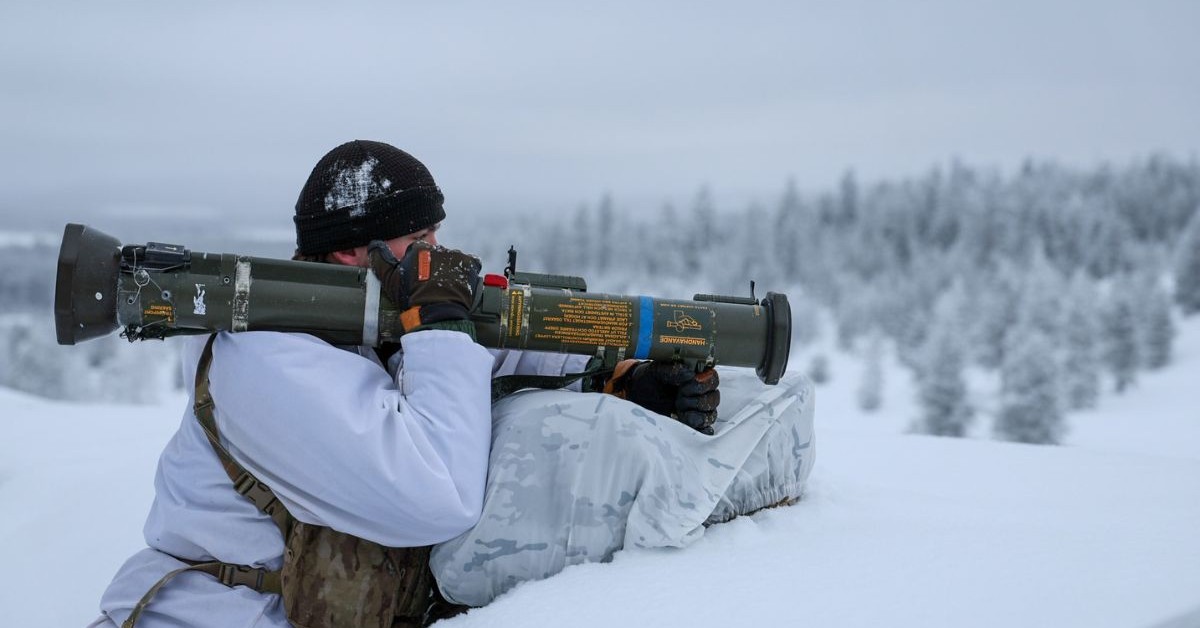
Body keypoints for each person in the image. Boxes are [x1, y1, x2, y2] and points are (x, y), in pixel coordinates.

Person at [90, 140, 727, 627]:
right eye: (419, 239)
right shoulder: (263, 362)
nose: (433, 254)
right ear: (352, 253)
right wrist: (442, 328)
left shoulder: (365, 321)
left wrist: (621, 378)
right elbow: (437, 496)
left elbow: (492, 360)